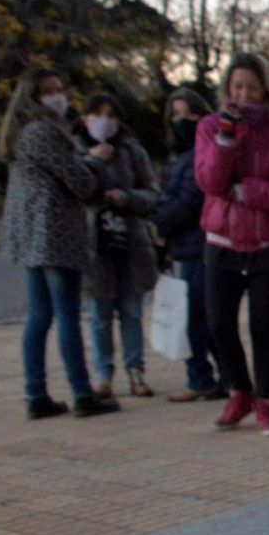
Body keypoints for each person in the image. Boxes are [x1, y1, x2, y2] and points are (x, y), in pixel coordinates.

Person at [0, 67, 120, 419]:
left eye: (60, 88)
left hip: (32, 236)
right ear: (33, 99)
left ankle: (36, 392)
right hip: (53, 233)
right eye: (49, 91)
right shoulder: (42, 132)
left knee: (39, 316)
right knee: (64, 315)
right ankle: (82, 392)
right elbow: (79, 182)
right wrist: (95, 162)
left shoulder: (22, 133)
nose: (58, 97)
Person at [194, 52, 269, 436]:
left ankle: (265, 401)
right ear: (227, 89)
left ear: (265, 92)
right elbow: (210, 183)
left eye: (252, 89)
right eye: (238, 87)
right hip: (222, 241)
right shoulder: (210, 127)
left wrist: (247, 191)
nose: (244, 95)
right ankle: (239, 391)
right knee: (220, 324)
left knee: (262, 326)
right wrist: (226, 139)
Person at [76, 93, 160, 399]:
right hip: (93, 247)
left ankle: (136, 371)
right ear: (84, 118)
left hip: (130, 243)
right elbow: (74, 190)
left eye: (111, 114)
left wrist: (128, 198)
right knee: (98, 314)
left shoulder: (132, 151)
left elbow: (152, 195)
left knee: (131, 311)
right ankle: (103, 375)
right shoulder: (75, 148)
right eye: (97, 113)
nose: (104, 120)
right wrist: (93, 160)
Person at [155, 88, 227, 402]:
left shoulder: (201, 155)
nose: (182, 120)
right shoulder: (182, 157)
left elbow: (189, 202)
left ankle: (205, 378)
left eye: (189, 113)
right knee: (202, 317)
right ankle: (221, 376)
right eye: (177, 114)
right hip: (186, 244)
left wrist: (158, 222)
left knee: (198, 317)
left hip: (199, 244)